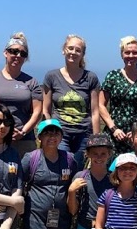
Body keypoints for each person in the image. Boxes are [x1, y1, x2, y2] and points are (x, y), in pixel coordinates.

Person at [42, 34, 101, 162]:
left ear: (82, 54)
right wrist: (48, 132)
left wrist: (96, 139)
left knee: (79, 171)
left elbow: (95, 112)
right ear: (64, 50)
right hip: (60, 133)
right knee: (62, 167)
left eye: (78, 50)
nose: (73, 52)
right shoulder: (51, 76)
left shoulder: (91, 78)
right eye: (70, 48)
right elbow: (45, 110)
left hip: (84, 134)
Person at [100, 36, 137, 153]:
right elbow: (101, 105)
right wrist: (114, 129)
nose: (131, 56)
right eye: (127, 52)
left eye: (134, 53)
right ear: (122, 54)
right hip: (114, 135)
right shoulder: (112, 76)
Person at [0, 32, 42, 157]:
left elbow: (37, 112)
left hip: (24, 140)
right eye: (13, 51)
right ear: (5, 53)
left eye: (22, 53)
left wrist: (22, 132)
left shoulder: (31, 82)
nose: (18, 56)